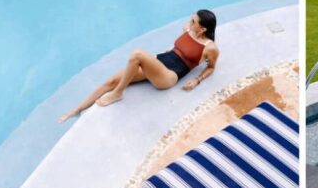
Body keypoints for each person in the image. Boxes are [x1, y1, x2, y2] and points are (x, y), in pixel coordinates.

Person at [58, 10, 220, 123]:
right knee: (111, 81)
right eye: (191, 18)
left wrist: (197, 80)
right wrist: (171, 51)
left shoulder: (210, 48)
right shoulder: (188, 29)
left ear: (203, 29)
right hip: (161, 62)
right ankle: (77, 109)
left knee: (137, 54)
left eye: (193, 21)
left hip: (169, 75)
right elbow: (180, 47)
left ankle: (118, 93)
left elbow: (211, 67)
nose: (190, 22)